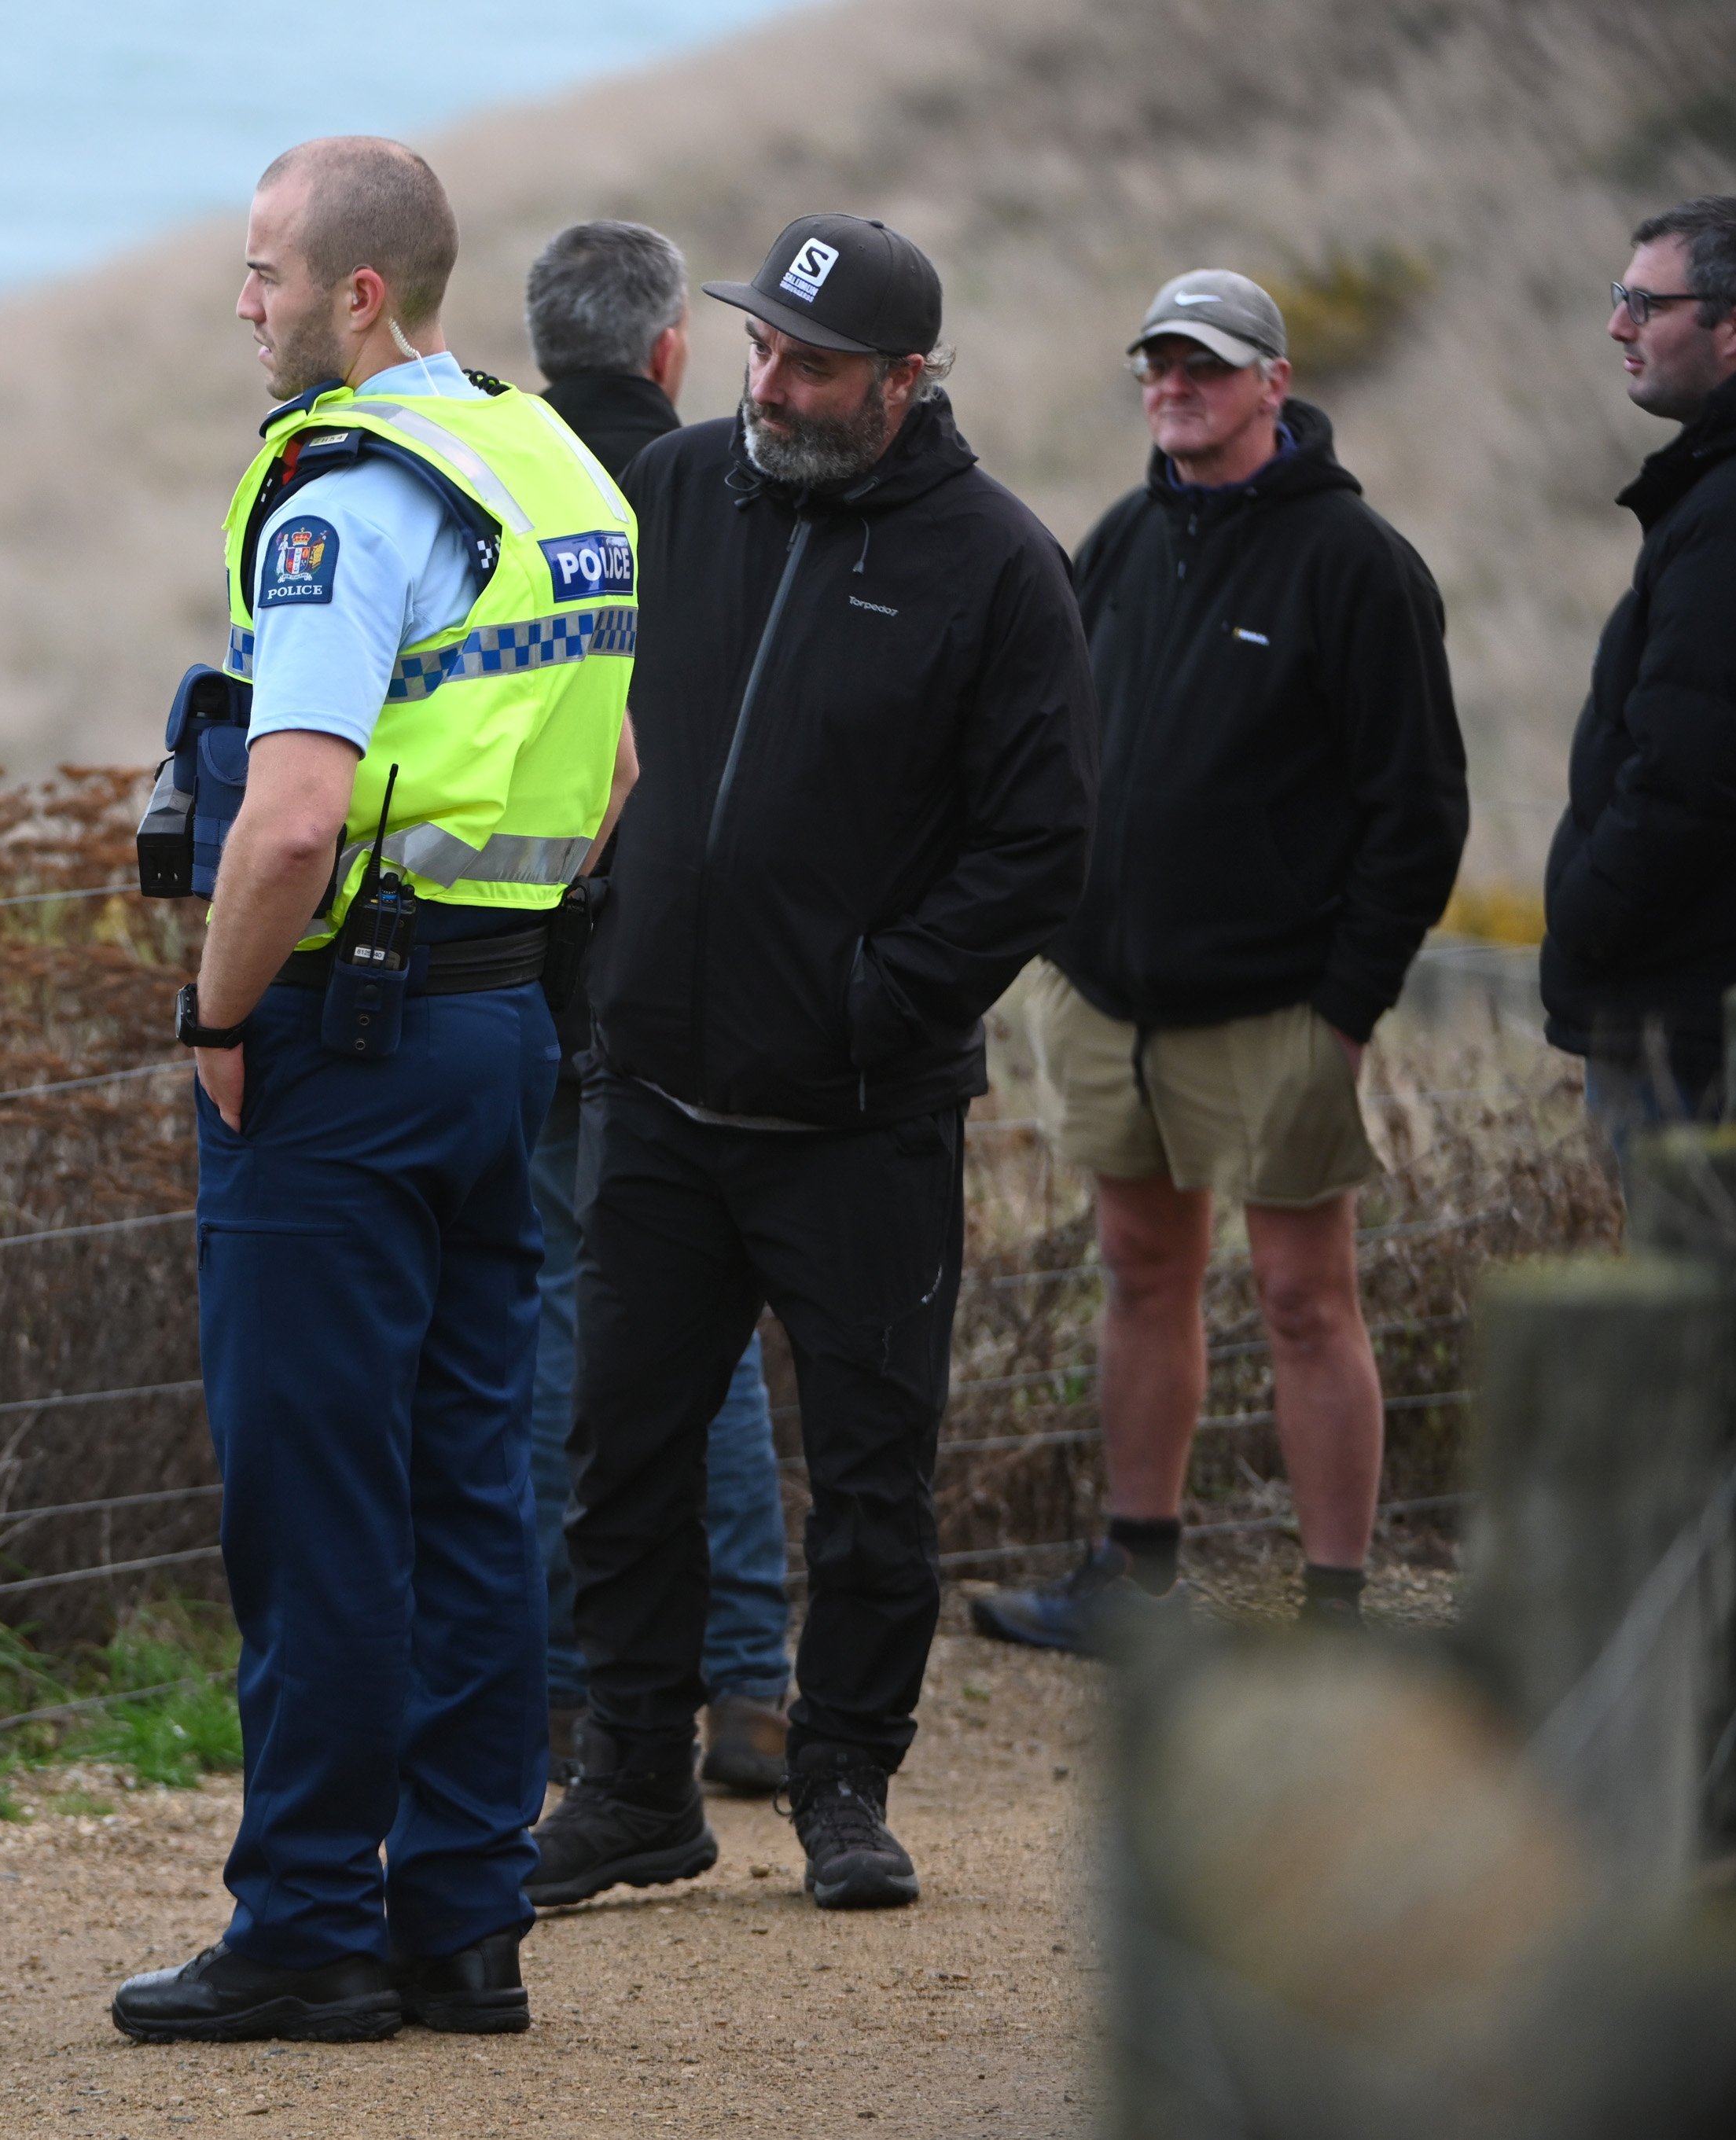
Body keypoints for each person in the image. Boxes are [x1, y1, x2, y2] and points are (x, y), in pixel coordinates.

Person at [108, 138, 632, 2046]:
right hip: (501, 1022)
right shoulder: (547, 460)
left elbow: (292, 814)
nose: (239, 302)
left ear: (356, 298)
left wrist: (218, 1014)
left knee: (320, 1501)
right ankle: (463, 1921)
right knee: (467, 1477)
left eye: (259, 271)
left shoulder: (351, 494)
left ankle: (311, 1921)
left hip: (348, 1033)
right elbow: (615, 767)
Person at [535, 215, 1094, 1914]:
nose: (772, 384)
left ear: (905, 380)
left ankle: (845, 1784)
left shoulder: (997, 562)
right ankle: (632, 1781)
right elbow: (573, 721)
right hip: (655, 1089)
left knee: (868, 1473)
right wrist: (597, 934)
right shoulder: (681, 494)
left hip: (861, 1115)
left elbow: (1040, 843)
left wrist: (879, 998)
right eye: (761, 348)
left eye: (815, 364)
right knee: (618, 1455)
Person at [972, 272, 1466, 1652]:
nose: (1173, 385)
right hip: (1105, 991)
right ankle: (1133, 1578)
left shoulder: (1356, 564)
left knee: (1307, 1298)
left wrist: (1348, 1006)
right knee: (1141, 1268)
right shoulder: (1120, 539)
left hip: (1278, 1009)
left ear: (1273, 381)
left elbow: (1416, 808)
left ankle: (1333, 1612)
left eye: (1204, 364)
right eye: (1158, 364)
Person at [524, 218, 790, 1796]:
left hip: (534, 964)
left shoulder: (501, 487)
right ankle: (751, 1682)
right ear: (668, 352)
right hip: (704, 968)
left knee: (558, 1308)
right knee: (720, 1328)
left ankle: (575, 1689)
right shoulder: (726, 494)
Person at [1542, 197, 1736, 1147]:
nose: (1617, 326)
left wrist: (1588, 911)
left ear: (1731, 330)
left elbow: (1687, 772)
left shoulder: (1725, 514)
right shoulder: (1706, 493)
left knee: (1684, 1288)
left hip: (1685, 1021)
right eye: (1620, 297)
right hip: (1684, 998)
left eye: (1647, 306)